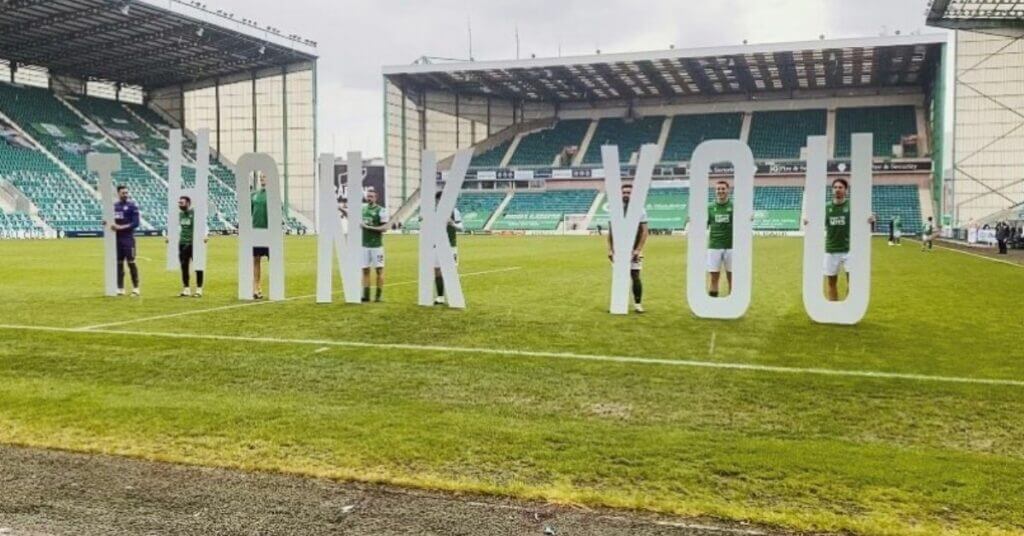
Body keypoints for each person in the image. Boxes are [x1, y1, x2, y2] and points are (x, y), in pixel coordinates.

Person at [806, 178, 875, 302]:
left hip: (849, 249)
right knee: (831, 283)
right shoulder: (826, 207)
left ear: (846, 190)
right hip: (831, 249)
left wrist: (871, 218)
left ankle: (848, 309)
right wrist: (808, 222)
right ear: (832, 190)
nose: (837, 189)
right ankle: (834, 310)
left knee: (852, 283)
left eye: (840, 187)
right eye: (835, 187)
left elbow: (866, 217)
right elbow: (816, 223)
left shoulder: (853, 205)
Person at [606, 183, 649, 313]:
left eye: (628, 193)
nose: (626, 195)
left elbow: (645, 232)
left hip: (634, 250)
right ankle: (618, 303)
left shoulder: (640, 210)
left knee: (635, 276)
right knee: (618, 277)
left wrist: (638, 249)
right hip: (618, 250)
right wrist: (610, 249)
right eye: (624, 192)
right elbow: (610, 232)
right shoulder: (615, 210)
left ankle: (637, 304)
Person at [105, 185, 140, 296]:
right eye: (123, 193)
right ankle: (120, 288)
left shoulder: (132, 207)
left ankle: (136, 288)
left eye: (126, 192)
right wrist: (106, 223)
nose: (125, 195)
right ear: (118, 193)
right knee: (119, 264)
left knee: (131, 263)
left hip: (128, 239)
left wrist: (121, 227)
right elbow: (110, 222)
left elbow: (136, 223)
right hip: (117, 240)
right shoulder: (114, 207)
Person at [432, 191, 464, 305]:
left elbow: (461, 228)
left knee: (451, 271)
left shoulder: (454, 212)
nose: (438, 202)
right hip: (436, 246)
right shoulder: (433, 212)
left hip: (450, 245)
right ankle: (440, 297)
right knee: (437, 271)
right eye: (437, 200)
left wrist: (452, 224)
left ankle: (455, 296)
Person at [361, 187, 389, 302]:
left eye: (371, 196)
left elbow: (384, 228)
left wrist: (368, 227)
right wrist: (341, 209)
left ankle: (378, 296)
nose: (369, 198)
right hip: (364, 245)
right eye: (368, 196)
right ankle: (366, 296)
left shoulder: (381, 210)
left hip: (377, 246)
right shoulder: (362, 209)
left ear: (376, 198)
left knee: (379, 271)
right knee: (365, 270)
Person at [707, 181, 734, 297]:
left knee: (732, 277)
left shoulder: (734, 207)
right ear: (715, 191)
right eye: (718, 189)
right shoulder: (709, 207)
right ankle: (712, 303)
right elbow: (703, 224)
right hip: (714, 246)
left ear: (728, 190)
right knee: (714, 277)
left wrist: (749, 218)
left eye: (723, 189)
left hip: (731, 246)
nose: (720, 191)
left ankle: (732, 302)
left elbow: (742, 224)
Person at [174, 195, 205, 297]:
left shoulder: (194, 214)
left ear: (188, 203)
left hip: (194, 244)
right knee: (184, 266)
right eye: (179, 203)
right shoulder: (180, 215)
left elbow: (202, 226)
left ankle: (199, 289)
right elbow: (179, 228)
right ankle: (186, 289)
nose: (180, 205)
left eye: (182, 203)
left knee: (198, 266)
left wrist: (204, 236)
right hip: (182, 243)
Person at [251, 174, 269, 299]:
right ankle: (257, 288)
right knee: (256, 260)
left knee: (272, 260)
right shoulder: (254, 195)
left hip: (269, 232)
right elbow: (250, 213)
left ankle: (275, 287)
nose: (262, 178)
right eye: (261, 176)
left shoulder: (273, 195)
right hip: (256, 232)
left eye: (265, 176)